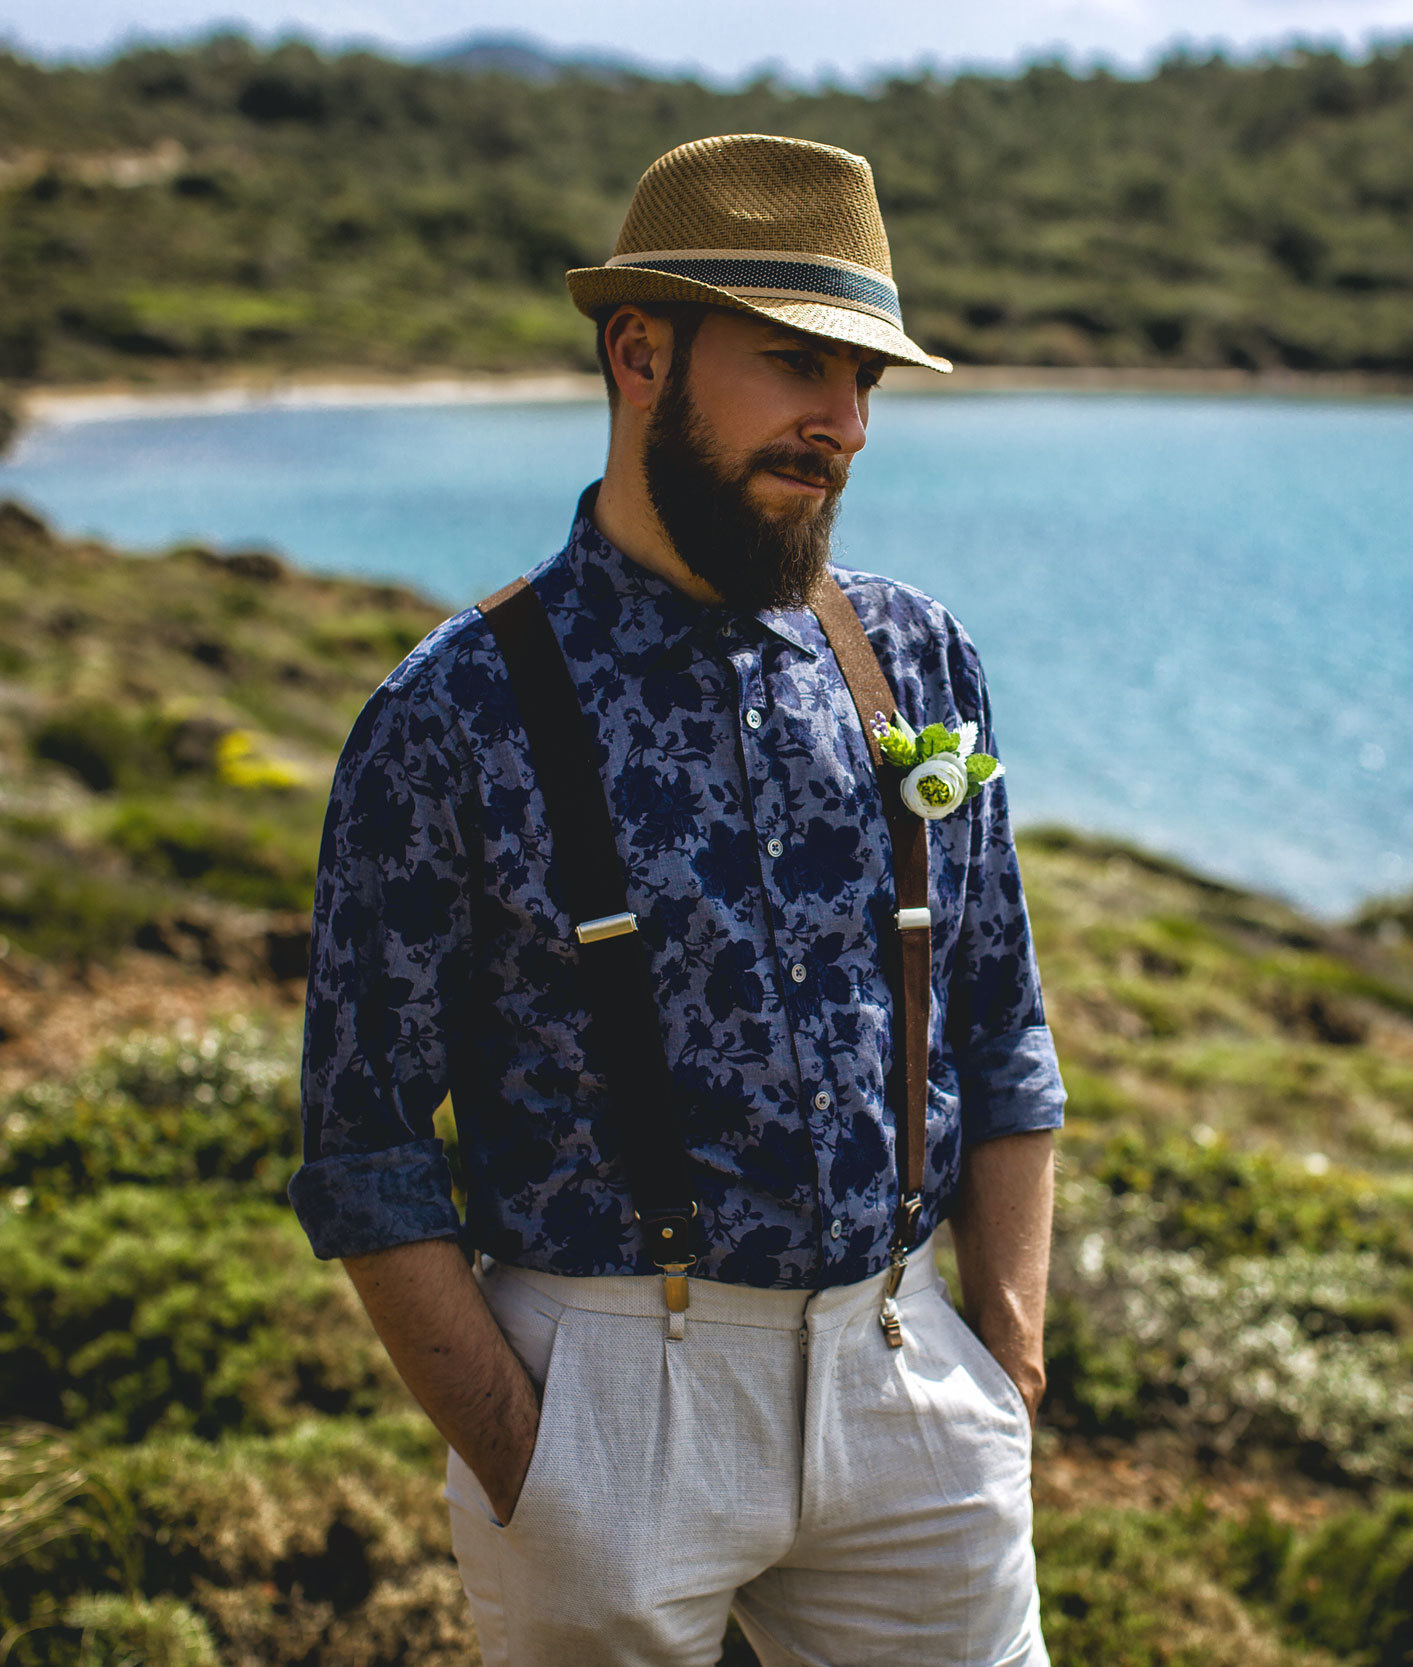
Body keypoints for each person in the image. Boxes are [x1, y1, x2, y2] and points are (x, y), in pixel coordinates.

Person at [289, 132, 1064, 1667]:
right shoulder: (455, 711)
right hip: (607, 1410)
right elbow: (364, 1136)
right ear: (641, 353)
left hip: (909, 1381)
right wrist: (525, 1450)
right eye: (795, 365)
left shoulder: (918, 659)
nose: (842, 423)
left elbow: (998, 1016)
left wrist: (1008, 1354)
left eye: (866, 383)